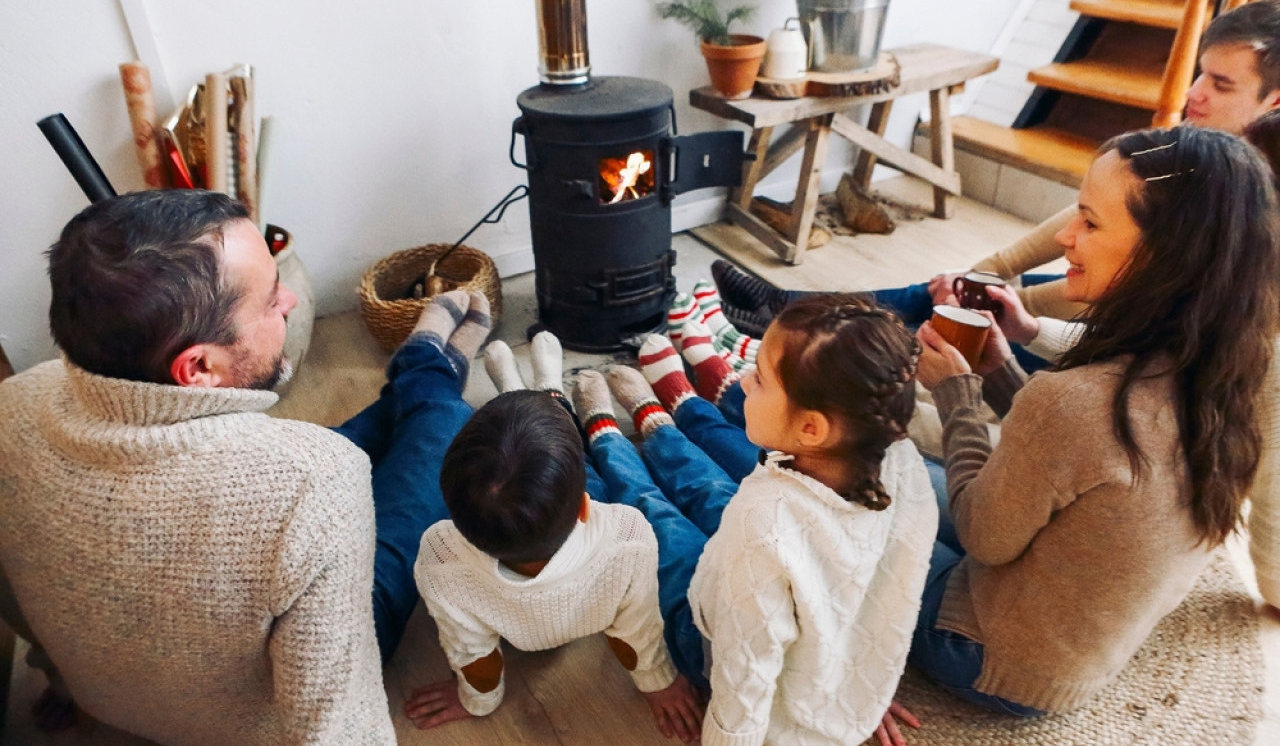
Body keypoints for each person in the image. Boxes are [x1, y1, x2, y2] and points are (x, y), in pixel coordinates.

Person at [0, 190, 491, 744]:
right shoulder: (313, 480)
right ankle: (431, 369)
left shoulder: (13, 401)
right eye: (270, 300)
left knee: (360, 443)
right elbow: (335, 728)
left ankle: (423, 370)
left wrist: (59, 675)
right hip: (258, 713)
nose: (291, 301)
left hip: (105, 690)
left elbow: (13, 597)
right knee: (448, 425)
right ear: (199, 368)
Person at [908, 124, 1280, 714]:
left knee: (850, 486)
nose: (1064, 236)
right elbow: (1068, 458)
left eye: (1089, 221)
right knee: (901, 472)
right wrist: (1000, 369)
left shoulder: (1080, 400)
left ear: (1163, 257)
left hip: (986, 654)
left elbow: (984, 535)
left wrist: (957, 395)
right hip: (1073, 648)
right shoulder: (1228, 376)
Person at [708, 0, 1280, 334]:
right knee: (948, 290)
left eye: (1221, 84)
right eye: (1200, 73)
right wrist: (986, 273)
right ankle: (796, 310)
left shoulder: (1252, 208)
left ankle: (813, 332)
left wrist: (992, 303)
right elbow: (1088, 214)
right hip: (1110, 298)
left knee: (959, 313)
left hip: (1140, 336)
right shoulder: (1202, 145)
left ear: (1275, 101)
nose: (1194, 93)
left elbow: (1122, 294)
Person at [573, 294, 940, 746]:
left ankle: (602, 432)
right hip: (761, 560)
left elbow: (744, 672)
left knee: (656, 522)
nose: (744, 381)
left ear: (811, 429)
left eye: (760, 378)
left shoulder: (763, 525)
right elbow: (893, 597)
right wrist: (864, 687)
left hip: (706, 630)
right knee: (712, 491)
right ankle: (655, 418)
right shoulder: (902, 465)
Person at [405, 387, 704, 742]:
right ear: (584, 507)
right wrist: (656, 680)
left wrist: (478, 701)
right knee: (601, 480)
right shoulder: (628, 535)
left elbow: (471, 651)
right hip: (593, 533)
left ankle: (550, 394)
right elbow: (638, 624)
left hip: (514, 559)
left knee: (547, 477)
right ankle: (560, 400)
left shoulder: (440, 555)